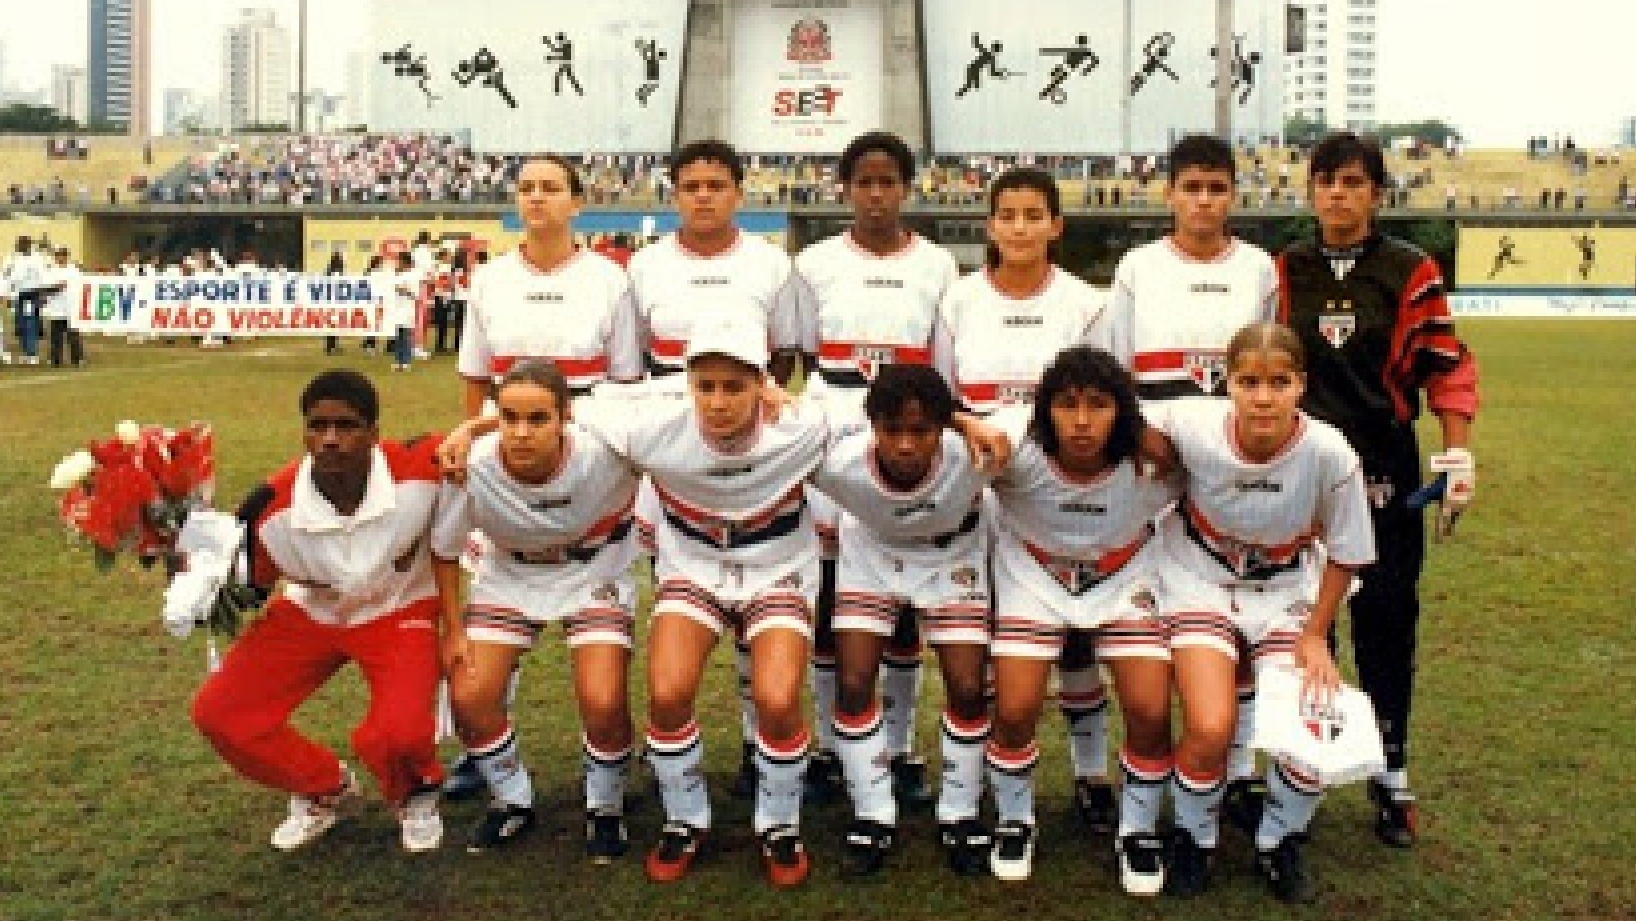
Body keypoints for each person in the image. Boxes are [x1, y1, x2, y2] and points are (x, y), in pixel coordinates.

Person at [1276, 132, 1479, 849]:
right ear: (1310, 189)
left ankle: (1391, 771)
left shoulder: (1409, 269)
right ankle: (1298, 772)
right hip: (1298, 471)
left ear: (1377, 193)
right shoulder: (1284, 268)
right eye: (1326, 180)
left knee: (1387, 621)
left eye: (1353, 182)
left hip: (1382, 467)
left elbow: (1446, 364)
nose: (1338, 193)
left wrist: (1456, 451)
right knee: (1303, 626)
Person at [1148, 322, 1375, 903]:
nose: (1264, 397)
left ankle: (1279, 841)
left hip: (1286, 596)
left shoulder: (1329, 452)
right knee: (1210, 726)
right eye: (1249, 381)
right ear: (1227, 383)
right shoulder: (1192, 424)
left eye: (1280, 382)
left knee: (1306, 736)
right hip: (1200, 580)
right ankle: (1194, 840)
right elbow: (1121, 417)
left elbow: (1348, 552)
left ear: (1302, 384)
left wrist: (1316, 634)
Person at [189, 370, 451, 853]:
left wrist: (470, 434)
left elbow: (488, 432)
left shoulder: (422, 466)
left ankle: (414, 795)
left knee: (399, 733)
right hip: (311, 614)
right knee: (221, 713)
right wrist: (187, 564)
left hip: (399, 609)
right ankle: (323, 787)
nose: (330, 440)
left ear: (375, 433)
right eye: (317, 426)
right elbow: (250, 589)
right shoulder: (270, 506)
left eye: (347, 426)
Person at [932, 167, 1118, 833]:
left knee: (1075, 637)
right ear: (989, 225)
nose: (1019, 227)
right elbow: (940, 395)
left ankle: (1091, 772)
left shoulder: (1084, 304)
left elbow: (1105, 395)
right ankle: (978, 772)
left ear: (1056, 225)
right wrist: (966, 423)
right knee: (981, 641)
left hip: (1059, 489)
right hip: (975, 485)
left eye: (1033, 215)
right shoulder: (958, 300)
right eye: (1006, 214)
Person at [1103, 133, 1280, 830]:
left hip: (1237, 463)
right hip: (1158, 462)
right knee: (1151, 620)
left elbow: (1271, 364)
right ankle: (1139, 766)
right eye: (1192, 187)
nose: (1204, 200)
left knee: (1235, 606)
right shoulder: (1139, 266)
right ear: (1169, 193)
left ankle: (1234, 770)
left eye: (1217, 188)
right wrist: (1142, 435)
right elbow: (1115, 367)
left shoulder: (1258, 267)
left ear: (1233, 194)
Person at [626, 139, 805, 798]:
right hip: (672, 455)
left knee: (758, 597)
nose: (703, 195)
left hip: (746, 451)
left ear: (738, 192)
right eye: (691, 184)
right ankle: (668, 744)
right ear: (674, 193)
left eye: (716, 184)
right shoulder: (645, 266)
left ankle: (763, 741)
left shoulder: (768, 264)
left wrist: (746, 420)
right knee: (678, 577)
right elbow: (634, 360)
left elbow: (782, 354)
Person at [791, 131, 960, 807]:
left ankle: (901, 746)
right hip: (834, 438)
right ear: (845, 188)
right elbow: (803, 355)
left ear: (907, 188)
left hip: (911, 440)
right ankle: (836, 746)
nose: (876, 194)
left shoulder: (938, 264)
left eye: (888, 181)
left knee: (904, 604)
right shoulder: (814, 261)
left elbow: (943, 361)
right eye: (863, 181)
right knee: (833, 599)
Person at [983, 346, 1178, 887]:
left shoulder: (1155, 460)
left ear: (1124, 411)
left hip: (1123, 577)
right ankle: (1015, 820)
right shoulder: (1016, 444)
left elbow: (1215, 470)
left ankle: (1137, 830)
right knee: (1016, 707)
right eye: (1067, 405)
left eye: (1099, 404)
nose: (1083, 420)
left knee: (1149, 708)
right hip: (1034, 577)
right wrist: (964, 424)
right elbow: (951, 431)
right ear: (1045, 409)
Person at [430, 360, 640, 858]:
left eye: (538, 420)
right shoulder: (470, 466)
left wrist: (765, 390)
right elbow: (444, 551)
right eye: (508, 418)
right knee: (469, 695)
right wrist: (455, 630)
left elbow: (678, 398)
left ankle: (605, 806)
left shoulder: (607, 448)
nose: (521, 434)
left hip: (594, 573)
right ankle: (511, 800)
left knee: (603, 699)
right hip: (511, 576)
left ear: (566, 416)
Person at [812, 365, 993, 879]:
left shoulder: (977, 454)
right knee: (852, 682)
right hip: (872, 557)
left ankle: (958, 811)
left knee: (966, 686)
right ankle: (872, 812)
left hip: (951, 557)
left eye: (922, 431)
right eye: (892, 430)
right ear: (872, 426)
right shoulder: (839, 464)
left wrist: (970, 423)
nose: (907, 445)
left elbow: (1030, 426)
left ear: (944, 427)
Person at [457, 155, 642, 418]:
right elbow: (476, 378)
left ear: (576, 204)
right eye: (526, 189)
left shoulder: (610, 280)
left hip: (585, 439)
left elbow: (626, 383)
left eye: (550, 188)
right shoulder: (488, 279)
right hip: (505, 437)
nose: (536, 197)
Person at [4, 235, 47, 365]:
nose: (21, 246)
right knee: (20, 324)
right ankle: (25, 353)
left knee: (30, 323)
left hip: (31, 294)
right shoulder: (13, 258)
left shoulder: (37, 258)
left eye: (24, 244)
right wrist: (9, 295)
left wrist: (42, 294)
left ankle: (32, 354)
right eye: (19, 244)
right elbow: (7, 276)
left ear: (29, 245)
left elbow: (42, 277)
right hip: (18, 295)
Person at [40, 247, 84, 368]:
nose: (59, 258)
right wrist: (55, 287)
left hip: (71, 308)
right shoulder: (50, 271)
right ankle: (55, 360)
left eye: (61, 255)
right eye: (57, 255)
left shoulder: (74, 271)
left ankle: (77, 359)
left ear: (66, 256)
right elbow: (45, 288)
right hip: (55, 308)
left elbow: (81, 286)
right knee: (55, 336)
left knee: (73, 335)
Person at [390, 251, 419, 371]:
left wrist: (401, 289)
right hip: (396, 309)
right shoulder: (397, 275)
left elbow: (414, 294)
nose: (398, 263)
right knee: (398, 336)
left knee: (405, 336)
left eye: (400, 261)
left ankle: (406, 361)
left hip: (407, 309)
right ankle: (398, 361)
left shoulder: (413, 276)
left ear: (405, 262)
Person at [323, 251, 347, 356]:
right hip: (335, 301)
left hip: (329, 301)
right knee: (334, 325)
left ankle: (331, 346)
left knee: (332, 325)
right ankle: (332, 346)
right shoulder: (337, 273)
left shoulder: (328, 272)